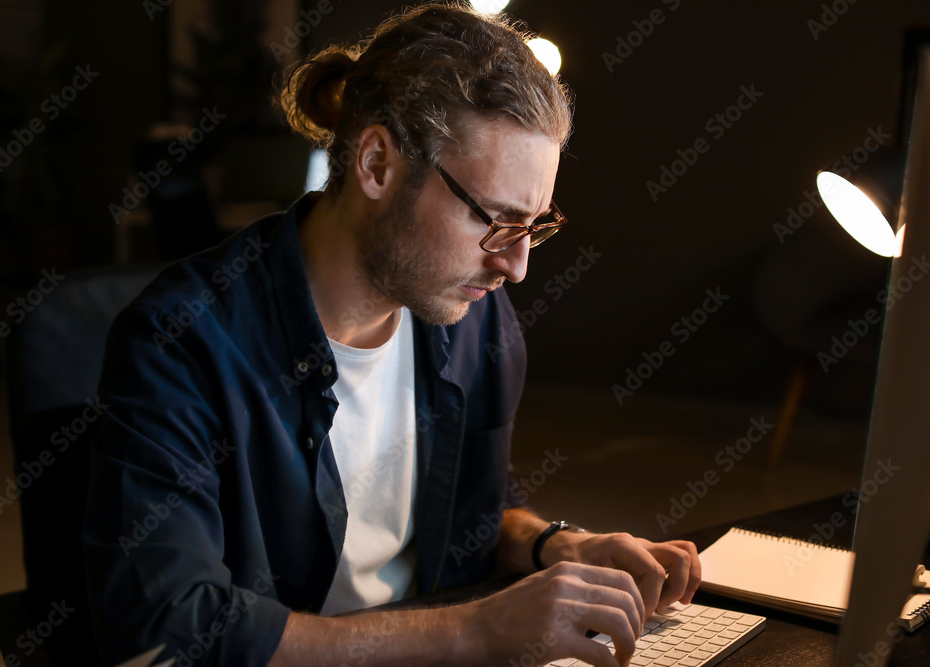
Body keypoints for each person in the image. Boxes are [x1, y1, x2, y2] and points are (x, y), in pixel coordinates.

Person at [81, 3, 700, 666]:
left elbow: (473, 508)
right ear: (377, 164)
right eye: (496, 220)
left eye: (535, 227)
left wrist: (554, 543)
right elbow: (168, 625)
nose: (516, 266)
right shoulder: (180, 343)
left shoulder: (476, 321)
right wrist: (479, 630)